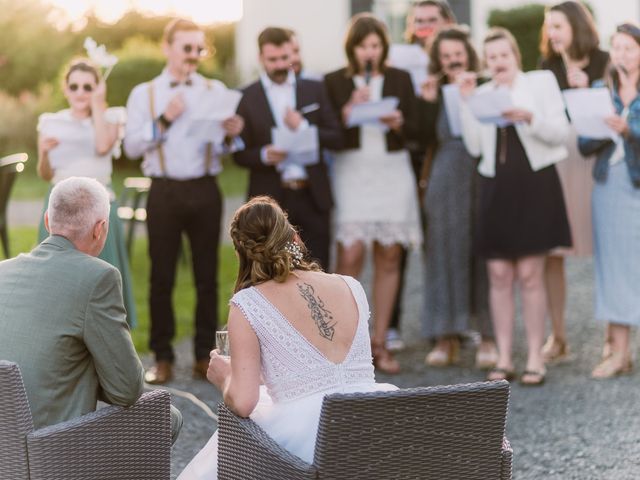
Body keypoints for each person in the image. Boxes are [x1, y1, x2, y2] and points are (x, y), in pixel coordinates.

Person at [177, 196, 397, 479]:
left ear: (242, 253)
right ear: (293, 236)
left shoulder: (248, 303)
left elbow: (244, 402)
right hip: (374, 422)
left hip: (311, 439)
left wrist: (226, 377)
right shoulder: (351, 286)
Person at [0, 177, 181, 442]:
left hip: (6, 442)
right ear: (100, 229)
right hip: (48, 445)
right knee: (168, 417)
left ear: (47, 221)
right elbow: (127, 389)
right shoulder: (99, 277)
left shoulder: (3, 270)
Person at [124, 18, 245, 384]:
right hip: (164, 190)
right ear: (168, 48)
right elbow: (130, 146)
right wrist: (165, 118)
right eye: (186, 47)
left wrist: (230, 135)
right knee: (161, 276)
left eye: (198, 48)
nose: (193, 55)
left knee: (206, 277)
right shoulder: (144, 93)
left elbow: (229, 148)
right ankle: (162, 358)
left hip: (206, 188)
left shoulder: (215, 89)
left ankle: (202, 357)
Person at [458, 28, 571, 385]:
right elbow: (475, 148)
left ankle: (536, 357)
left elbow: (562, 133)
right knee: (499, 275)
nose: (498, 63)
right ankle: (505, 357)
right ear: (485, 63)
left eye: (503, 55)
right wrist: (466, 103)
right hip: (496, 188)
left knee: (529, 276)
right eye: (491, 58)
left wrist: (529, 117)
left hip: (535, 185)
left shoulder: (539, 85)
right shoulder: (482, 94)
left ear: (515, 56)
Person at [324, 14, 422, 374]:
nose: (371, 52)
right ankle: (346, 344)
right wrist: (349, 110)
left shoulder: (400, 78)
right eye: (364, 46)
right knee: (349, 254)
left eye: (376, 46)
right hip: (353, 171)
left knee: (390, 254)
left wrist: (399, 123)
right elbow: (329, 130)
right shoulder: (335, 81)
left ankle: (380, 342)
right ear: (353, 48)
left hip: (391, 170)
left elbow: (415, 127)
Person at [36, 59, 136, 327]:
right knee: (57, 278)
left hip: (99, 207)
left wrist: (98, 105)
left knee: (101, 274)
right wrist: (44, 152)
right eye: (75, 86)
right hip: (59, 207)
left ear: (98, 89)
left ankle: (104, 332)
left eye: (88, 86)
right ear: (66, 89)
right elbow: (45, 173)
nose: (81, 92)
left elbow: (103, 146)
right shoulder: (50, 121)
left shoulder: (112, 117)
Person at [418, 26, 496, 369]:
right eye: (445, 56)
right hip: (445, 173)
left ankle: (488, 336)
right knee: (442, 252)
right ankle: (445, 335)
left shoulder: (485, 85)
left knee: (484, 252)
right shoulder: (430, 90)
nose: (452, 61)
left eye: (458, 54)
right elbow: (418, 140)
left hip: (482, 169)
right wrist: (428, 103)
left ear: (469, 54)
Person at [233, 27, 342, 270]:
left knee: (319, 268)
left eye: (286, 58)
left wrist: (303, 126)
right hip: (271, 200)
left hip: (313, 196)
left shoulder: (314, 88)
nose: (281, 65)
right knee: (271, 271)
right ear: (261, 58)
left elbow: (336, 136)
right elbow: (239, 154)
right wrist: (263, 155)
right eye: (273, 60)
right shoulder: (245, 96)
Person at [539, 0, 609, 363]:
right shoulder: (546, 68)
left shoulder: (605, 61)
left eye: (559, 27)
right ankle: (559, 335)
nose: (552, 34)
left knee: (605, 250)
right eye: (549, 27)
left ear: (577, 27)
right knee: (554, 253)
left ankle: (613, 338)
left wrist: (591, 89)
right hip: (559, 160)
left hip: (596, 161)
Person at [386, 0, 456, 352]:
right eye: (419, 21)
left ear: (446, 22)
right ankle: (393, 323)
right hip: (403, 156)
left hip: (440, 156)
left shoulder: (455, 59)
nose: (426, 26)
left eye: (432, 20)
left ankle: (446, 323)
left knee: (441, 243)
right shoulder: (398, 61)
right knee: (397, 243)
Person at [578, 23, 640, 379]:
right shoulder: (601, 91)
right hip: (610, 188)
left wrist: (628, 130)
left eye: (629, 48)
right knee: (614, 269)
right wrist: (603, 127)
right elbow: (585, 145)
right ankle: (619, 352)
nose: (622, 54)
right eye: (616, 48)